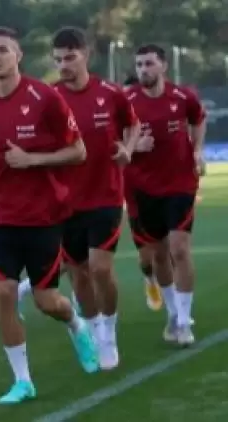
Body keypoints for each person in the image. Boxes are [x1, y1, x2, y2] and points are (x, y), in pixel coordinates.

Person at [0, 26, 98, 405]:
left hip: (43, 215)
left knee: (46, 301)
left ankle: (76, 324)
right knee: (4, 292)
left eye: (3, 50)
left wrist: (32, 159)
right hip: (0, 214)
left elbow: (79, 151)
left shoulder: (45, 98)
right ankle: (23, 381)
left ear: (18, 55)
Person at [26, 27, 140, 370]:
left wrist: (128, 149)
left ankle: (109, 334)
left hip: (106, 195)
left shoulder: (111, 93)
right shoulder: (49, 98)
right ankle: (92, 328)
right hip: (64, 203)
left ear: (86, 55)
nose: (64, 65)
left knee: (100, 268)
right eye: (58, 59)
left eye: (70, 58)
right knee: (78, 275)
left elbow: (133, 125)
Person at [127, 44, 206, 346]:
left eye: (149, 64)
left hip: (180, 184)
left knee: (180, 249)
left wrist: (197, 151)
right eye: (139, 65)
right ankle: (172, 314)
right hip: (144, 188)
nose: (143, 70)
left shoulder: (183, 97)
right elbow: (111, 141)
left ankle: (184, 321)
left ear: (163, 66)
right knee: (159, 255)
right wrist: (135, 147)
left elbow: (198, 119)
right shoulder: (126, 101)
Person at [122, 74, 163, 311]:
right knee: (146, 257)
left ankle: (178, 311)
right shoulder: (117, 118)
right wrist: (135, 146)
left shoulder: (155, 113)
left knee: (171, 248)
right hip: (135, 195)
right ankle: (149, 279)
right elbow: (107, 145)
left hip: (164, 191)